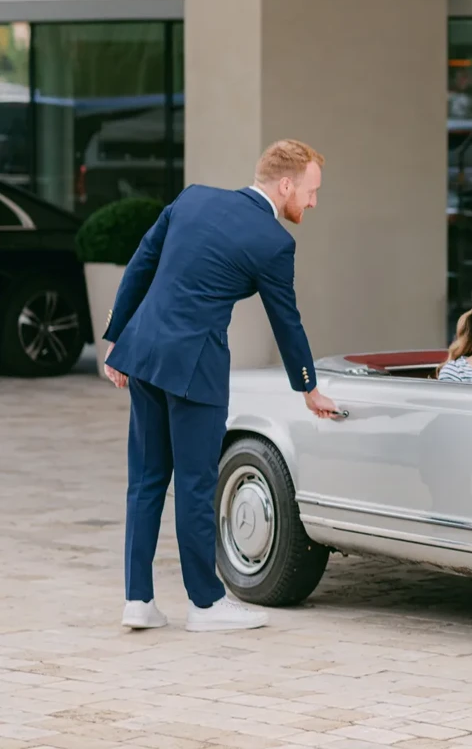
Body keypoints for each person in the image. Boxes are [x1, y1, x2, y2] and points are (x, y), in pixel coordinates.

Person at [103, 139, 340, 634]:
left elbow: (141, 263)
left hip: (144, 355)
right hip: (195, 369)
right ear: (286, 184)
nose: (313, 203)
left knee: (146, 482)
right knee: (196, 485)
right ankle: (206, 604)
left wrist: (116, 339)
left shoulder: (192, 198)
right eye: (312, 192)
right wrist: (308, 389)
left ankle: (138, 600)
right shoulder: (275, 243)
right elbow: (287, 324)